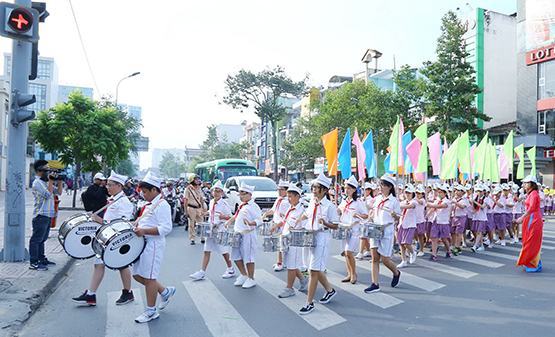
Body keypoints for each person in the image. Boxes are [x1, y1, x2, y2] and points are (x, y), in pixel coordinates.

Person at [72, 171, 135, 306]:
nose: (107, 187)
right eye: (107, 185)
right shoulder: (114, 199)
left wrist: (99, 220)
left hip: (116, 240)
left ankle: (127, 292)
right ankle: (91, 294)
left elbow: (123, 224)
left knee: (122, 265)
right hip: (105, 238)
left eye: (110, 185)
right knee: (98, 265)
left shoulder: (124, 202)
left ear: (119, 186)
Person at [132, 172, 176, 323]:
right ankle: (165, 292)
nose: (143, 195)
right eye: (142, 192)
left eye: (145, 192)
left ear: (154, 190)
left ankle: (151, 311)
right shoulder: (149, 204)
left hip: (153, 245)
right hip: (143, 244)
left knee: (149, 278)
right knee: (137, 275)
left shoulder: (162, 205)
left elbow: (166, 228)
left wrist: (144, 231)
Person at [299, 173, 339, 315]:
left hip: (322, 238)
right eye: (313, 187)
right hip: (310, 237)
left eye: (317, 188)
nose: (314, 190)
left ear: (325, 190)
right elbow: (307, 214)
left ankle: (309, 303)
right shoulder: (312, 202)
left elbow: (335, 225)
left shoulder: (329, 206)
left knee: (313, 271)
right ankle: (330, 290)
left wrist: (325, 223)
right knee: (315, 268)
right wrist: (298, 220)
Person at [189, 181, 235, 281]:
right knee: (206, 250)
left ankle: (230, 269)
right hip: (210, 230)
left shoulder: (224, 204)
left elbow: (230, 217)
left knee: (224, 251)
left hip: (220, 230)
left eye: (218, 191)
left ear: (222, 193)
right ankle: (202, 272)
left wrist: (224, 217)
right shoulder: (211, 202)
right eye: (214, 190)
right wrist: (205, 213)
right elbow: (211, 212)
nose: (216, 192)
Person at [364, 174, 401, 294]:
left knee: (385, 259)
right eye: (380, 185)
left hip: (387, 230)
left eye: (383, 185)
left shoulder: (394, 201)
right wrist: (370, 217)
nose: (381, 187)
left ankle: (396, 272)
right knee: (375, 257)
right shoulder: (378, 199)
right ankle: (375, 284)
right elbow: (373, 212)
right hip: (375, 229)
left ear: (389, 187)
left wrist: (394, 215)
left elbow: (398, 217)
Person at [276, 183, 308, 298]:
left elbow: (304, 227)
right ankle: (303, 280)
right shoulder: (291, 208)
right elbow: (285, 221)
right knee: (291, 263)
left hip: (295, 240)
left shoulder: (302, 211)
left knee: (291, 265)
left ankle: (289, 288)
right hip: (287, 239)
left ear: (297, 197)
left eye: (290, 196)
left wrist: (294, 228)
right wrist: (275, 227)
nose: (288, 199)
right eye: (288, 196)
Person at [29, 160, 63, 271]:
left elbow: (59, 192)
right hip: (40, 215)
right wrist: (51, 181)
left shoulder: (45, 182)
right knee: (36, 239)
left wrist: (59, 181)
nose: (49, 172)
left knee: (42, 239)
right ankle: (34, 262)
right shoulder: (37, 183)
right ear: (40, 170)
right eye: (46, 170)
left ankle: (41, 259)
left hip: (48, 214)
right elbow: (48, 195)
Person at [227, 183, 262, 289]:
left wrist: (252, 223)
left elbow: (260, 219)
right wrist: (229, 221)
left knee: (249, 258)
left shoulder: (253, 206)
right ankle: (243, 274)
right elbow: (237, 215)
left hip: (248, 235)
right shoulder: (242, 205)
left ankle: (251, 278)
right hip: (238, 234)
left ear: (249, 194)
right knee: (235, 256)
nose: (241, 196)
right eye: (240, 194)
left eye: (243, 194)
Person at [338, 175, 367, 283]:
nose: (346, 190)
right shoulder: (344, 201)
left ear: (354, 189)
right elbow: (339, 210)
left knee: (349, 252)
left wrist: (357, 215)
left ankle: (354, 274)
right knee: (345, 253)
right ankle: (349, 274)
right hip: (344, 230)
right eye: (345, 188)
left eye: (349, 188)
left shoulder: (358, 202)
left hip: (354, 230)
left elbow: (366, 215)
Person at [515, 175, 544, 273]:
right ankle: (532, 262)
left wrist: (522, 217)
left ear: (532, 184)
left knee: (531, 242)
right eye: (523, 183)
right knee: (528, 240)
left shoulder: (534, 194)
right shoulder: (530, 194)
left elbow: (531, 208)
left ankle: (533, 264)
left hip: (533, 219)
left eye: (526, 183)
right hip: (530, 218)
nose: (523, 184)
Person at [265, 180, 291, 272]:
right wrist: (265, 214)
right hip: (277, 224)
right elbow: (273, 210)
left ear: (287, 191)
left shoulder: (287, 202)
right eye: (278, 189)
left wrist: (276, 226)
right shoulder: (278, 199)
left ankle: (281, 263)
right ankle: (283, 262)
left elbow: (286, 218)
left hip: (283, 226)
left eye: (281, 189)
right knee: (280, 244)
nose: (279, 191)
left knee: (282, 245)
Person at [426, 183, 452, 261]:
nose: (439, 193)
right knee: (434, 238)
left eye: (441, 192)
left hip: (444, 222)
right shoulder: (437, 200)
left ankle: (448, 251)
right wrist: (427, 215)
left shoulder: (447, 202)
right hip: (436, 221)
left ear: (445, 193)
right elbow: (433, 208)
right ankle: (434, 255)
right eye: (438, 192)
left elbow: (439, 206)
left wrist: (427, 204)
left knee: (444, 239)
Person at [397, 184, 418, 268]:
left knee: (406, 242)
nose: (407, 194)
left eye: (409, 193)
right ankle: (403, 260)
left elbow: (410, 206)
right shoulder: (402, 202)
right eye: (406, 192)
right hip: (402, 224)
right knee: (401, 243)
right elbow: (399, 212)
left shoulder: (414, 201)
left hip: (410, 225)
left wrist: (398, 206)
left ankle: (413, 252)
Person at [183, 174, 207, 245]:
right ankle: (192, 238)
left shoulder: (199, 188)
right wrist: (185, 211)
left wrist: (203, 208)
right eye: (196, 179)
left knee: (201, 223)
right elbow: (185, 201)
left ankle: (202, 238)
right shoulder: (188, 189)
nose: (198, 180)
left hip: (199, 208)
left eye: (198, 179)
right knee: (191, 224)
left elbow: (202, 199)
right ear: (192, 180)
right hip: (191, 208)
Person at [450, 184, 469, 256]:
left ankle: (457, 247)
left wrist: (455, 202)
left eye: (458, 190)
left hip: (461, 217)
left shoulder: (465, 200)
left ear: (462, 192)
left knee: (459, 233)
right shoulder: (454, 198)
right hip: (454, 217)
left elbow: (462, 206)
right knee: (453, 232)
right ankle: (454, 245)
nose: (456, 191)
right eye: (456, 190)